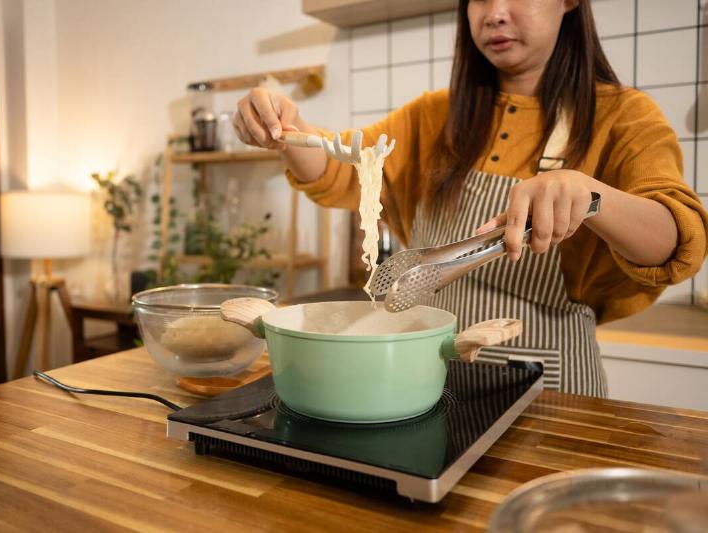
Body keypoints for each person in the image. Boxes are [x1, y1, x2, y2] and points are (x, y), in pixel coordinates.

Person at [232, 0, 708, 396]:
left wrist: (590, 194)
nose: (494, 13)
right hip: (426, 374)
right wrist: (287, 131)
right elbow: (343, 166)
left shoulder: (624, 116)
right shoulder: (434, 115)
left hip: (547, 388)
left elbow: (675, 241)